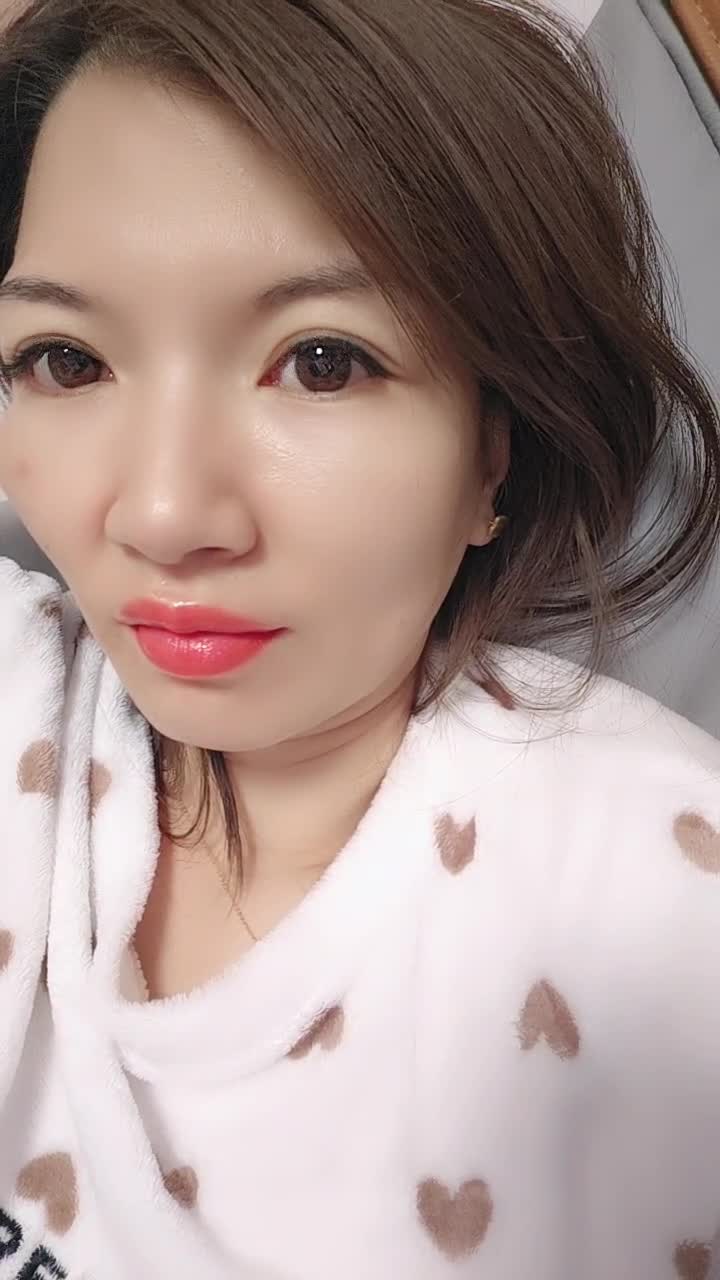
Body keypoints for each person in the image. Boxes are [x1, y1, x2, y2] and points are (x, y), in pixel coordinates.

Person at [1, 0, 720, 1277]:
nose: (162, 514)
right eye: (66, 360)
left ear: (494, 449)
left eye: (323, 362)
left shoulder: (661, 913)